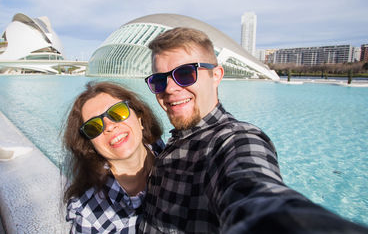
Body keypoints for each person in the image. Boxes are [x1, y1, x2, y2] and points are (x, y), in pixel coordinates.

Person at [140, 27, 368, 233]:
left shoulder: (233, 140)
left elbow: (254, 190)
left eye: (185, 74)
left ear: (216, 75)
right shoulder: (178, 140)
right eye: (159, 80)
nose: (170, 89)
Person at [63, 82, 164, 233]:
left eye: (117, 112)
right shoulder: (90, 215)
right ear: (90, 145)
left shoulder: (172, 154)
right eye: (94, 126)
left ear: (139, 119)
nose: (109, 126)